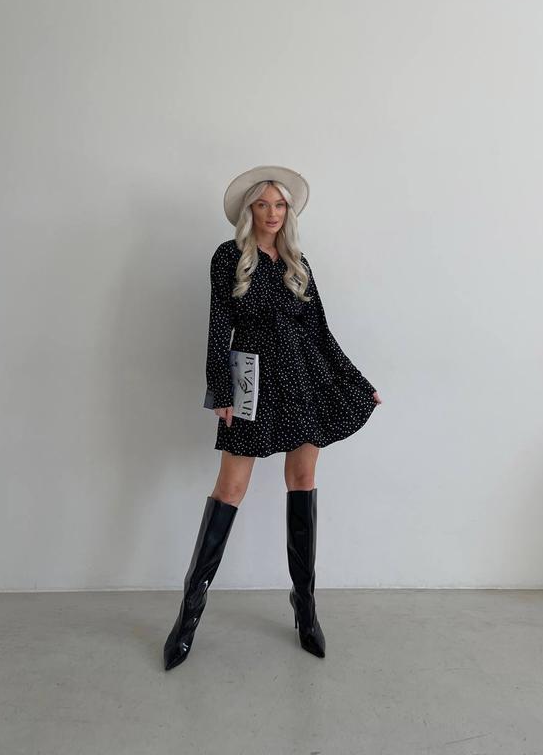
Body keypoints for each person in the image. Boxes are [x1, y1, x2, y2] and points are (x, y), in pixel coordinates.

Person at [163, 165, 382, 671]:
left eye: (279, 205)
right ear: (249, 211)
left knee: (302, 480)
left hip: (305, 381)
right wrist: (220, 388)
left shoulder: (298, 263)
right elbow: (219, 324)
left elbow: (321, 333)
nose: (271, 213)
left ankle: (305, 608)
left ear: (289, 212)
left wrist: (357, 380)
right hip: (252, 382)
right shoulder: (229, 257)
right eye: (262, 205)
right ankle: (188, 617)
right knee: (230, 488)